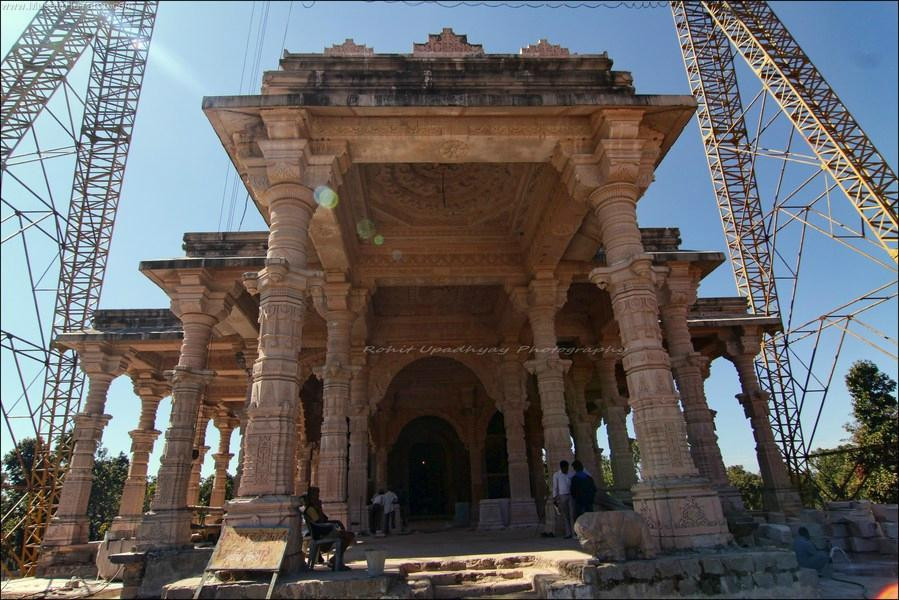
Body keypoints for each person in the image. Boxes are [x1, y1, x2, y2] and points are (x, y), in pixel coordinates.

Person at [302, 486, 355, 570]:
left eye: (318, 494)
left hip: (325, 531)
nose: (317, 497)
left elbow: (324, 520)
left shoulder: (314, 507)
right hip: (321, 535)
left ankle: (335, 560)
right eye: (315, 495)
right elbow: (320, 523)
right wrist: (319, 509)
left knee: (348, 535)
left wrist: (337, 522)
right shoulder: (311, 509)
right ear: (311, 495)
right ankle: (335, 561)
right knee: (348, 536)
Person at [552, 460, 575, 539]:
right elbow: (555, 487)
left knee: (572, 513)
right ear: (561, 467)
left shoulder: (571, 474)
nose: (566, 469)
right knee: (565, 515)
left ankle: (574, 532)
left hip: (571, 495)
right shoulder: (556, 475)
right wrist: (555, 497)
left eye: (567, 468)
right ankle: (568, 533)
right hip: (562, 496)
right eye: (564, 468)